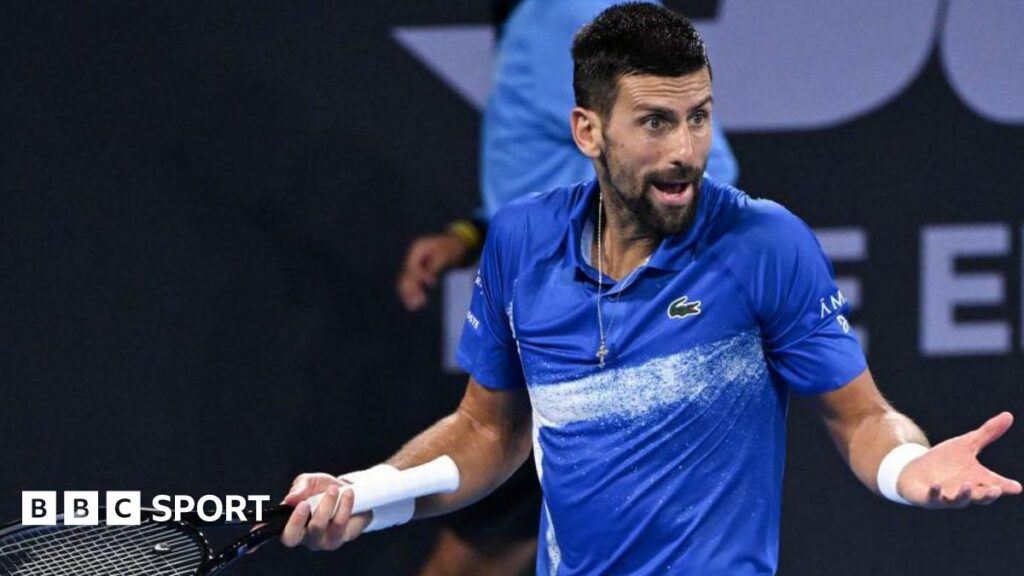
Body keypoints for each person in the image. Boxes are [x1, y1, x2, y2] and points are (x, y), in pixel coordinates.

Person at [287, 4, 1021, 574]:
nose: (685, 152)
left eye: (699, 118)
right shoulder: (519, 241)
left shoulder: (765, 245)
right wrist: (368, 496)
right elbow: (488, 431)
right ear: (588, 130)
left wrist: (906, 468)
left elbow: (861, 418)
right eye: (655, 123)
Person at [396, 2, 738, 574]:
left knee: (489, 550)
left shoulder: (571, 14)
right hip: (580, 312)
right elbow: (549, 173)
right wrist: (471, 233)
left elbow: (701, 178)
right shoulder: (549, 18)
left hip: (601, 320)